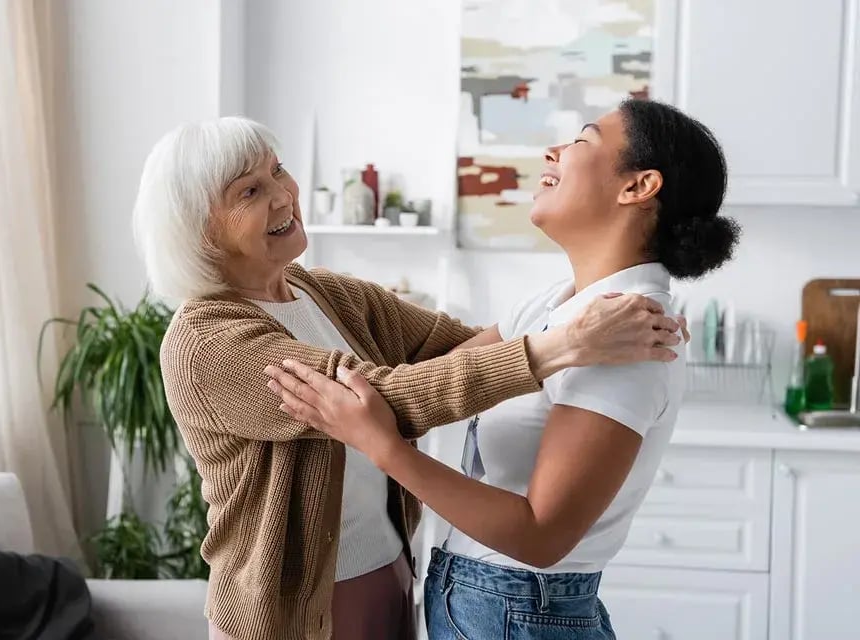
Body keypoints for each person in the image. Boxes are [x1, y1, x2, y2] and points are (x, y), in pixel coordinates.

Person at [132, 116, 685, 640]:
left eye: (277, 170)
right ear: (199, 230)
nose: (281, 195)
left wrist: (575, 315)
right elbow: (376, 403)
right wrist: (563, 343)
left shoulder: (327, 294)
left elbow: (454, 350)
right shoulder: (207, 342)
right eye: (248, 191)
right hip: (292, 612)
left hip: (391, 579)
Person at [265, 100, 740, 640]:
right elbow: (446, 377)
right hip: (487, 601)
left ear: (637, 186)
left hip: (518, 610)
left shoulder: (629, 340)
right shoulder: (557, 308)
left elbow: (541, 536)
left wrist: (384, 448)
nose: (552, 151)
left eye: (582, 141)